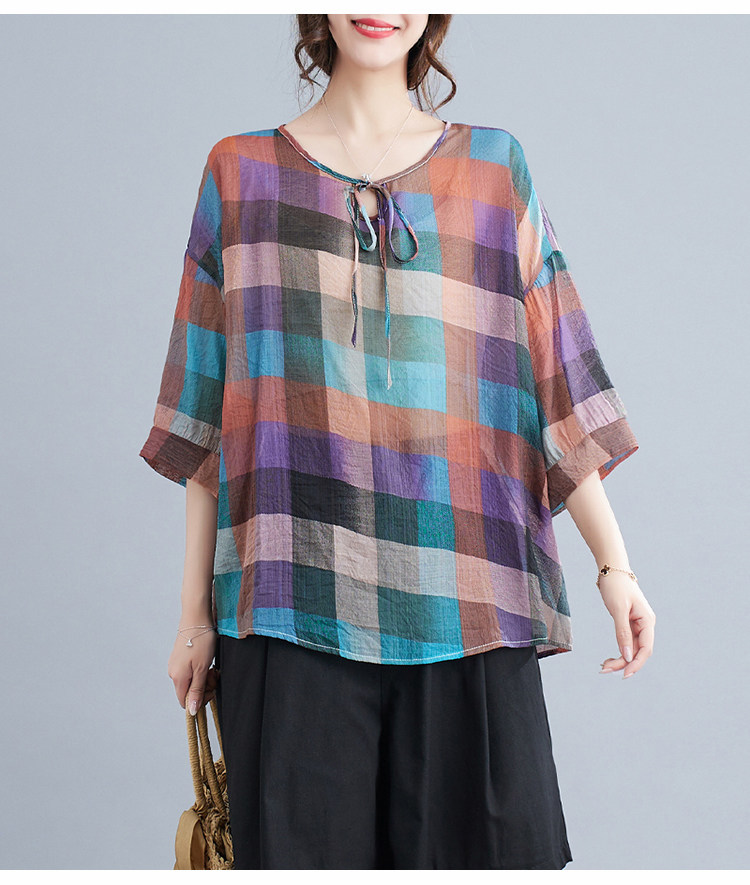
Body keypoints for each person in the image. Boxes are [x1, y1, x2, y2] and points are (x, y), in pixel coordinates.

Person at [139, 13, 656, 870]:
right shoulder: (240, 175)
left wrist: (617, 568)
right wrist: (194, 617)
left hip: (469, 599)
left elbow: (553, 385)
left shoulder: (494, 169)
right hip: (290, 606)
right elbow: (208, 416)